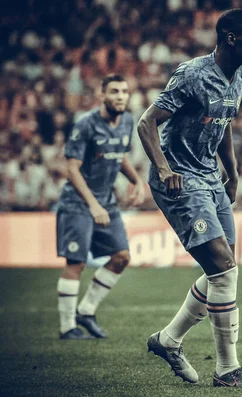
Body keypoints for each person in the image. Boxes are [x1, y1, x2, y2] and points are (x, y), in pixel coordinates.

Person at [137, 9, 242, 387]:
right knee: (224, 269)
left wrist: (233, 170)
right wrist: (163, 170)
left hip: (211, 178)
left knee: (222, 272)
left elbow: (222, 122)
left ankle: (168, 340)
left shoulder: (239, 76)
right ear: (230, 38)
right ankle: (228, 370)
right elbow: (147, 122)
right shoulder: (192, 74)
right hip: (180, 179)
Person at [56, 74, 145, 340]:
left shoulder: (127, 121)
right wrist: (93, 205)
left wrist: (137, 181)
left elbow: (120, 155)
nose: (120, 96)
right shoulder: (85, 125)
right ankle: (67, 327)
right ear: (102, 95)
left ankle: (87, 310)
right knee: (77, 262)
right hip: (78, 203)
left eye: (125, 91)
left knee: (122, 257)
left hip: (106, 202)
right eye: (114, 91)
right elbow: (72, 168)